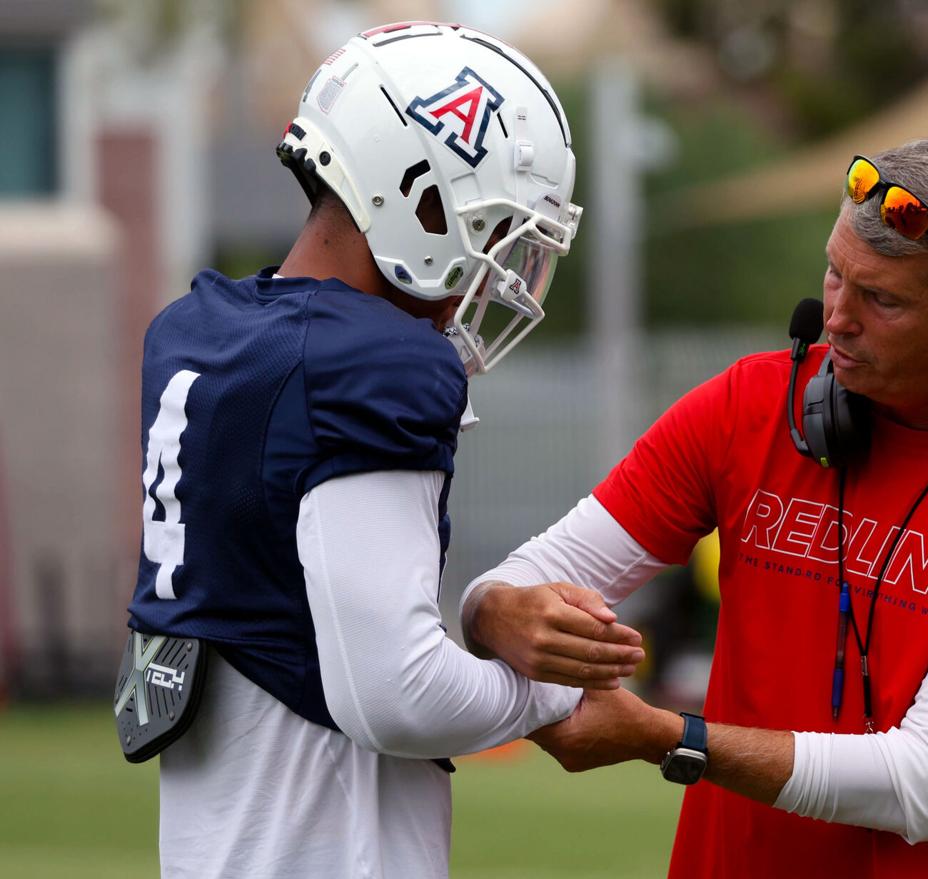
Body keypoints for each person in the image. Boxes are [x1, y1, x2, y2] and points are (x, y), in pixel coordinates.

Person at [461, 138, 928, 878]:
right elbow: (533, 574)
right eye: (835, 274)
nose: (836, 317)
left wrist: (666, 736)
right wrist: (491, 613)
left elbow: (923, 782)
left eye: (882, 299)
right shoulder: (745, 405)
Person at [115, 22, 631, 879]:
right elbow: (400, 694)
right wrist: (553, 695)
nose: (492, 276)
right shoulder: (370, 360)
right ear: (420, 199)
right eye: (496, 229)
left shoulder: (199, 333)